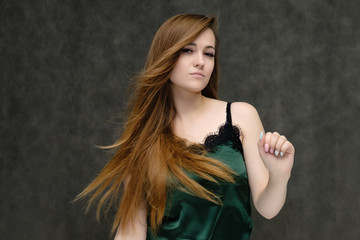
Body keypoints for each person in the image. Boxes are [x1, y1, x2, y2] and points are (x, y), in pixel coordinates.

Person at [76, 13, 295, 240]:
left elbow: (267, 208)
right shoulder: (144, 141)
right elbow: (130, 232)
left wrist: (279, 175)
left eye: (208, 53)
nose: (200, 60)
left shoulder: (241, 116)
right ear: (166, 55)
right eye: (188, 50)